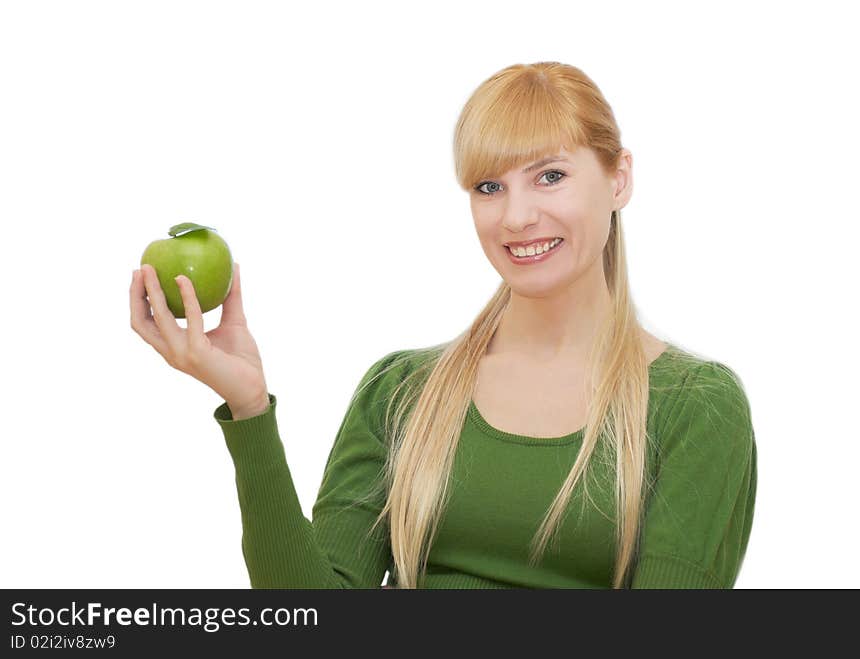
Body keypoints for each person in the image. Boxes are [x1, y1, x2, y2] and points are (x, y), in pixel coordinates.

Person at [129, 61, 757, 589]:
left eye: (551, 176)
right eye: (489, 186)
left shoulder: (696, 408)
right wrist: (247, 408)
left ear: (617, 178)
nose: (516, 217)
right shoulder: (403, 390)